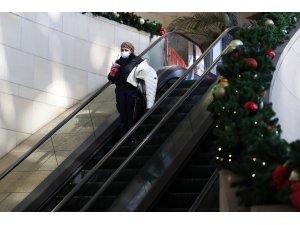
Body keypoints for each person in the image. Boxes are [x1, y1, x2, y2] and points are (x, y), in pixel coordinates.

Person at [108, 41, 157, 143]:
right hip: (120, 92)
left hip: (131, 92)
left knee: (131, 116)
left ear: (131, 51)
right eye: (122, 50)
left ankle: (132, 137)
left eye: (126, 50)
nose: (123, 52)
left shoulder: (138, 61)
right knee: (123, 116)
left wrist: (149, 102)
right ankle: (123, 137)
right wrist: (112, 74)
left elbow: (150, 77)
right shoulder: (118, 62)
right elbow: (111, 79)